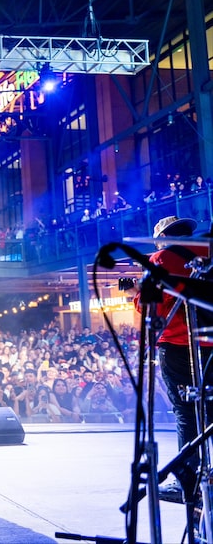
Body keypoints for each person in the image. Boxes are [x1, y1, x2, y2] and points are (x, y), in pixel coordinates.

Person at [133, 216, 213, 505]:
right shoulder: (208, 253)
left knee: (187, 414)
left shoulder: (162, 258)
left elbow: (149, 306)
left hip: (179, 348)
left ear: (162, 237)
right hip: (211, 346)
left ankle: (188, 484)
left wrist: (135, 293)